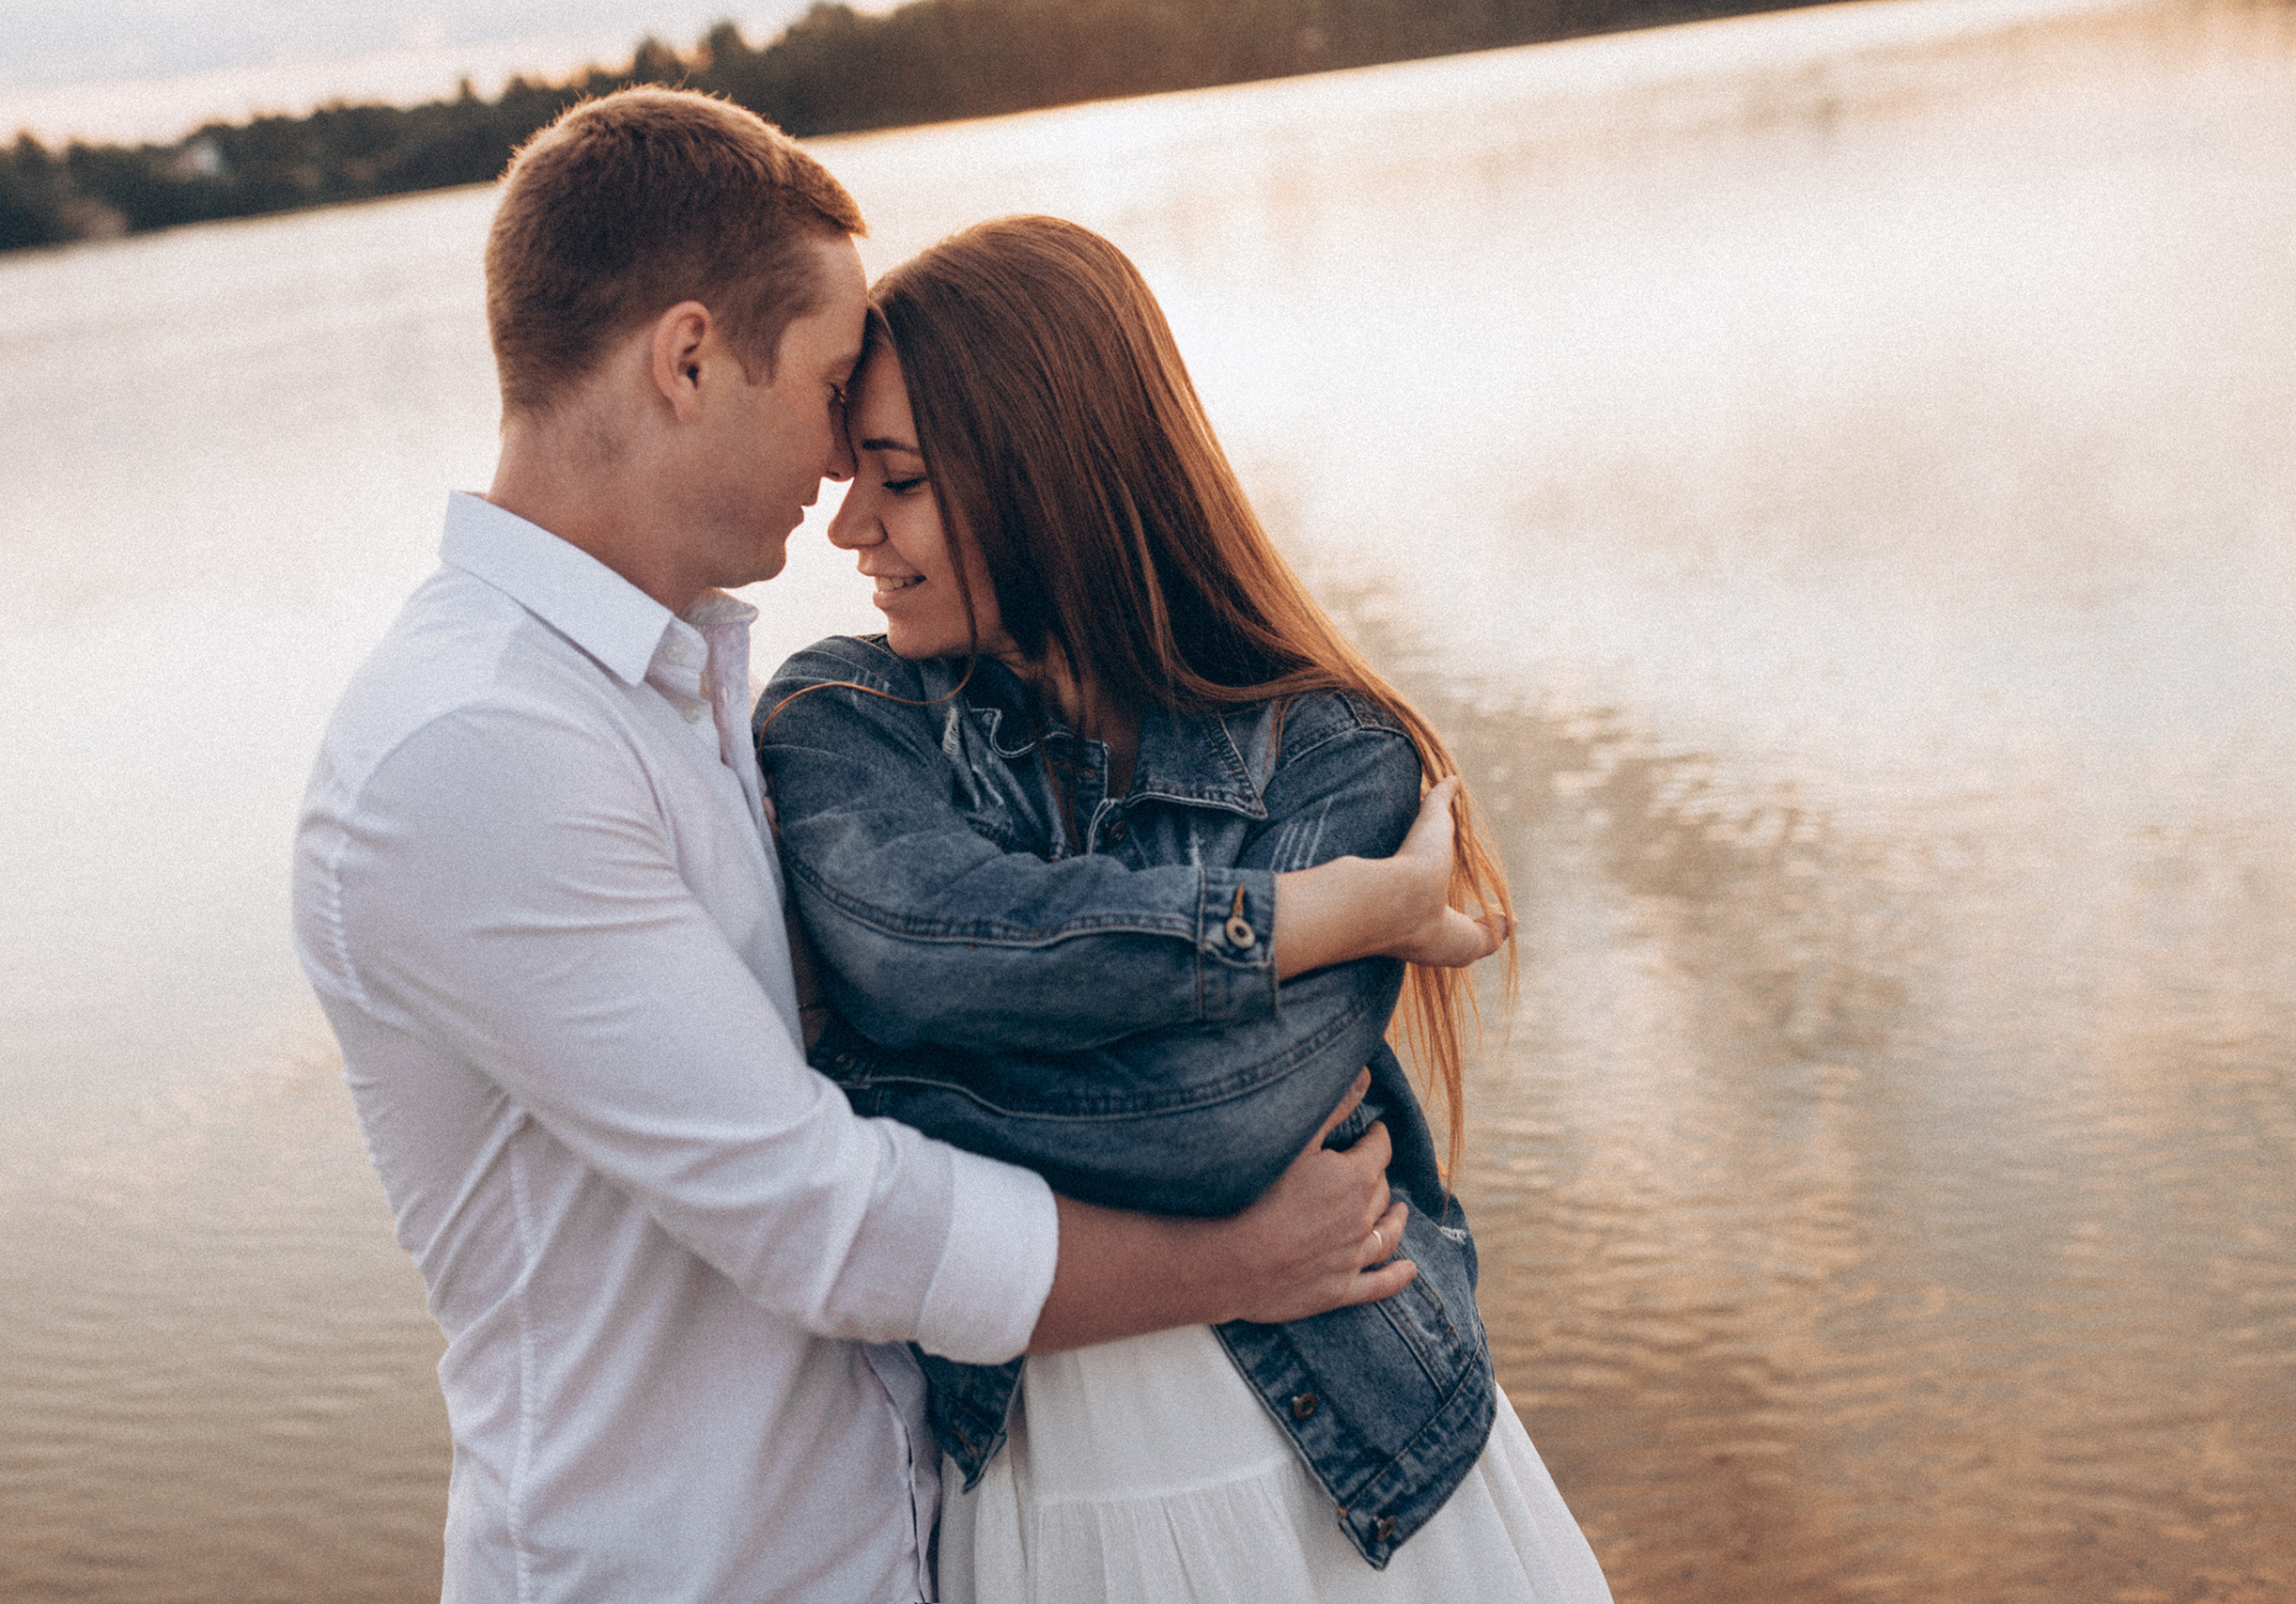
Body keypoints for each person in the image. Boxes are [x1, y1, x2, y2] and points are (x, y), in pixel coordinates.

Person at [291, 90, 1482, 1604]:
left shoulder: (672, 689)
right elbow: (823, 1214)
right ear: (690, 359)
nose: (843, 452)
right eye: (834, 382)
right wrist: (1234, 1258)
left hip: (896, 1548)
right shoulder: (477, 750)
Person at [756, 215, 1615, 1600]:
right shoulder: (841, 721)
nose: (848, 525)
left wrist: (851, 1096)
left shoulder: (1340, 755)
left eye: (897, 480)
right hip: (1039, 1512)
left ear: (1045, 480)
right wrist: (1325, 916)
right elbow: (923, 951)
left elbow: (1209, 1122)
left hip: (1353, 1498)